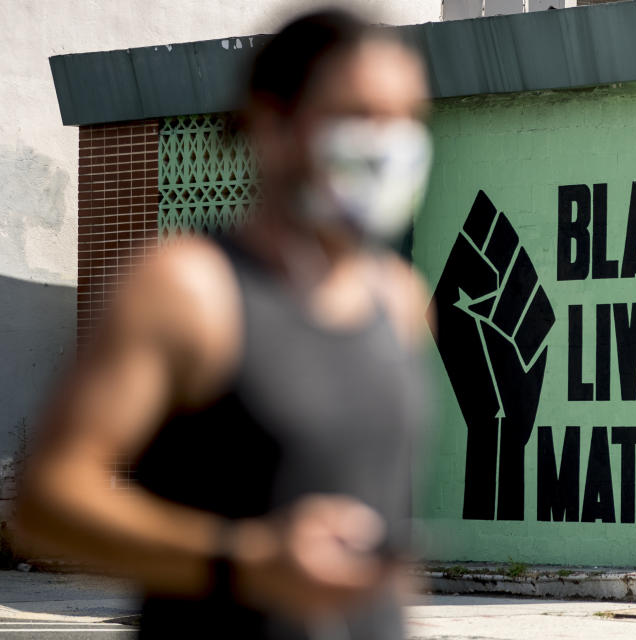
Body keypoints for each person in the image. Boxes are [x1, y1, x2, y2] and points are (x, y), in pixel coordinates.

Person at [15, 9, 432, 639]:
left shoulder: (399, 299)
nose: (388, 143)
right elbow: (47, 500)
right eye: (357, 115)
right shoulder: (188, 289)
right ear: (273, 124)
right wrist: (244, 561)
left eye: (406, 119)